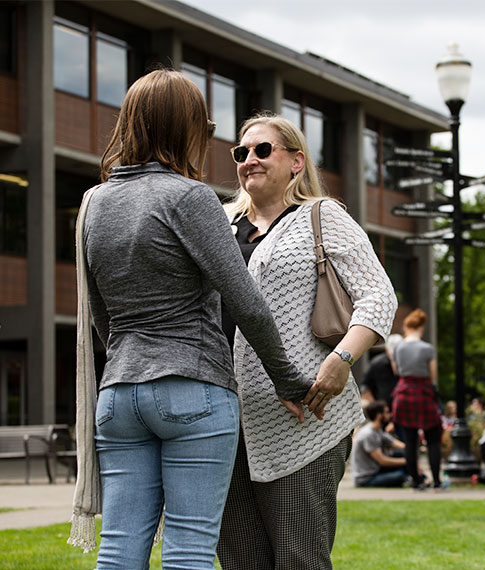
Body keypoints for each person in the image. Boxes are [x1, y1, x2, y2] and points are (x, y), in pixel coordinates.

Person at [70, 71, 316, 570]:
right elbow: (246, 303)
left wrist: (129, 360)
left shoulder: (94, 202)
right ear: (184, 128)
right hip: (194, 388)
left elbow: (100, 313)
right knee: (189, 546)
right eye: (204, 126)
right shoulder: (189, 197)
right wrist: (290, 380)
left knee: (118, 547)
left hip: (118, 397)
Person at [217, 112, 397, 570]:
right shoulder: (217, 223)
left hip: (306, 417)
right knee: (238, 559)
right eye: (242, 152)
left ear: (296, 161)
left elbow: (379, 296)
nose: (249, 160)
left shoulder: (322, 215)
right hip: (223, 419)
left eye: (262, 150)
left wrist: (341, 359)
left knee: (300, 559)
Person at [391, 308, 441, 490]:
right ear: (422, 326)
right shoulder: (427, 348)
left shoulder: (397, 348)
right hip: (423, 392)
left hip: (403, 392)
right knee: (433, 439)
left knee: (410, 442)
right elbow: (433, 375)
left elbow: (396, 371)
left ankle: (416, 481)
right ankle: (437, 482)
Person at [351, 400, 410, 487]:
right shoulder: (368, 434)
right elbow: (382, 461)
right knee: (400, 476)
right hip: (366, 478)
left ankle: (417, 478)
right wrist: (408, 461)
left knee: (403, 454)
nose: (390, 415)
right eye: (387, 412)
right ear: (379, 415)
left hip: (376, 470)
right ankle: (410, 479)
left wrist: (411, 454)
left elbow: (397, 444)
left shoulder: (377, 430)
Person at [360, 333, 403, 407]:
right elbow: (365, 385)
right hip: (383, 412)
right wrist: (374, 405)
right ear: (387, 349)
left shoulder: (409, 364)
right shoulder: (377, 363)